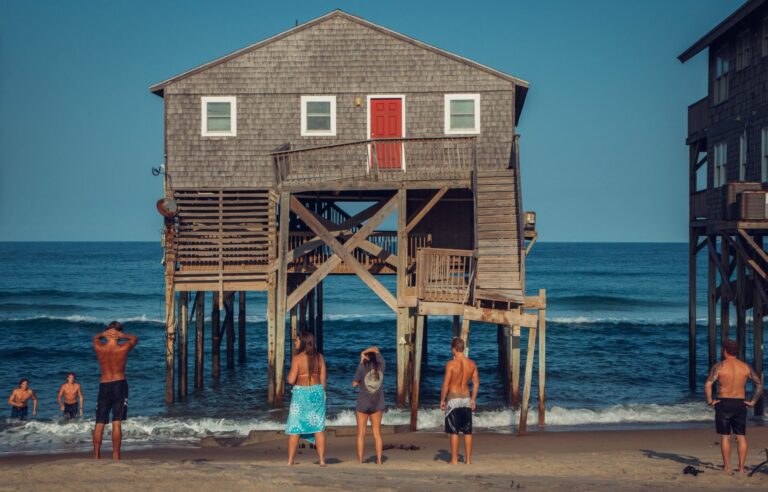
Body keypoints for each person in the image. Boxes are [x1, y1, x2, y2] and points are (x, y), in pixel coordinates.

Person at [705, 339, 763, 475]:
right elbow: (759, 384)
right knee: (741, 436)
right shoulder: (745, 367)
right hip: (740, 403)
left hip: (723, 403)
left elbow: (708, 384)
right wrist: (753, 402)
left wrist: (710, 401)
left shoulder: (719, 366)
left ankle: (727, 467)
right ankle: (742, 468)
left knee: (725, 436)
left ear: (724, 350)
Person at [92, 321, 138, 460]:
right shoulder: (122, 348)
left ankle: (96, 456)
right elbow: (135, 339)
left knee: (99, 422)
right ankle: (116, 456)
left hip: (104, 384)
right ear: (118, 334)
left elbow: (95, 338)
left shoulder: (99, 348)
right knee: (116, 422)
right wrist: (122, 335)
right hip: (119, 384)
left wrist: (103, 334)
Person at [285, 331, 327, 466]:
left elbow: (291, 380)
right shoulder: (319, 357)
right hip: (317, 392)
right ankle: (321, 460)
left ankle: (290, 460)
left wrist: (289, 377)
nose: (295, 343)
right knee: (318, 427)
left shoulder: (297, 358)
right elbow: (323, 380)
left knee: (295, 426)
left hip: (301, 394)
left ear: (302, 342)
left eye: (296, 341)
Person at [440, 337, 479, 465]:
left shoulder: (451, 364)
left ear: (453, 349)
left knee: (454, 431)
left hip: (454, 398)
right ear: (463, 349)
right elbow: (476, 383)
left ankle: (454, 460)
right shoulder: (472, 364)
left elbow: (446, 384)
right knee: (467, 431)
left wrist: (442, 400)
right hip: (466, 398)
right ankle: (468, 460)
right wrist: (473, 399)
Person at [352, 346, 385, 465]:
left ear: (367, 357)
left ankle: (360, 461)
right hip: (377, 403)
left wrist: (361, 358)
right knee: (377, 433)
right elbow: (376, 349)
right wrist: (366, 352)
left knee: (361, 433)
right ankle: (379, 460)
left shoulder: (362, 367)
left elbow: (354, 384)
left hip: (363, 403)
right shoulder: (381, 365)